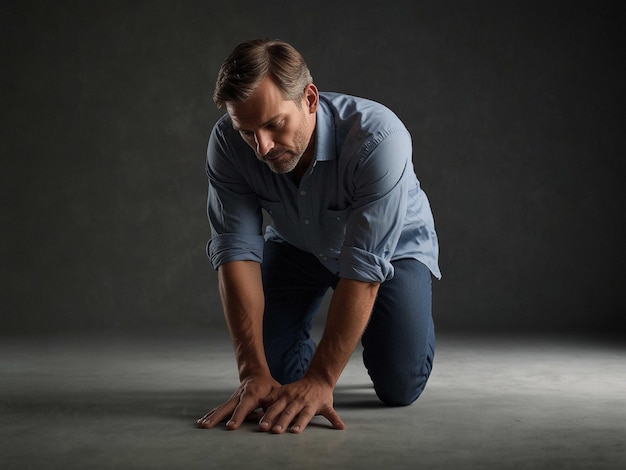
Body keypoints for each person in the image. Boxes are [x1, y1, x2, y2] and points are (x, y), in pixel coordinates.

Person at [197, 39, 441, 435]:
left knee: (400, 386)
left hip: (390, 253)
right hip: (298, 246)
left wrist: (321, 379)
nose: (261, 148)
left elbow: (363, 266)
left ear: (309, 99)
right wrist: (252, 372)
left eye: (274, 124)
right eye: (247, 132)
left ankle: (387, 342)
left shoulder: (380, 138)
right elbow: (235, 251)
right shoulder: (227, 142)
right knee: (271, 378)